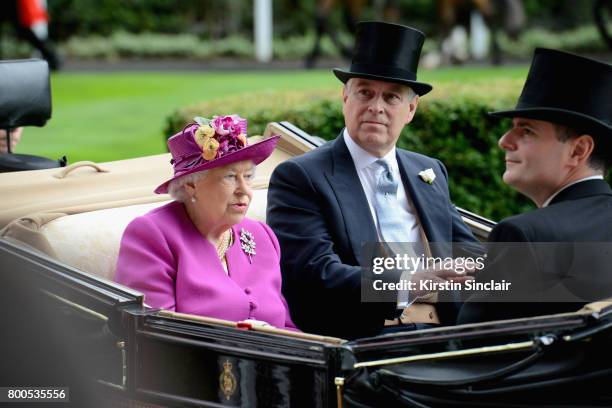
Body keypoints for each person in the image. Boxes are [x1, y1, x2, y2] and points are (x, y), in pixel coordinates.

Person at [267, 22, 479, 339]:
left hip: (447, 335)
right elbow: (315, 274)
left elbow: (469, 253)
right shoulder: (302, 177)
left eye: (391, 98)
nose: (376, 107)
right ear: (345, 97)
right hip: (364, 344)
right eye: (365, 92)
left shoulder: (428, 171)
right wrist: (409, 281)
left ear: (410, 108)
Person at [458, 48, 612, 323]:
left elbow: (470, 347)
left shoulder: (524, 235)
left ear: (578, 151)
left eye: (526, 130)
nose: (504, 140)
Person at [115, 115, 297, 330]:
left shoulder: (261, 235)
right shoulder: (152, 235)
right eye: (230, 177)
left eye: (247, 176)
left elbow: (286, 327)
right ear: (191, 185)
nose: (244, 190)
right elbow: (156, 335)